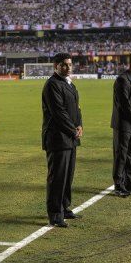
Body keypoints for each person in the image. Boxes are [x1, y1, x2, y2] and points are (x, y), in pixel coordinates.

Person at [42, 52, 83, 228]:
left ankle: (64, 207)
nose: (67, 67)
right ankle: (55, 213)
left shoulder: (70, 84)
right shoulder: (52, 85)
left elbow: (76, 109)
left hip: (70, 137)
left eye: (69, 64)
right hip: (58, 138)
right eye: (64, 65)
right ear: (56, 66)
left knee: (68, 176)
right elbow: (59, 112)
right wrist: (73, 129)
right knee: (57, 177)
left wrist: (79, 124)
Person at [111, 53, 131, 197]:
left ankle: (129, 182)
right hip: (123, 124)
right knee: (121, 155)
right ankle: (119, 185)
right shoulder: (122, 79)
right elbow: (124, 104)